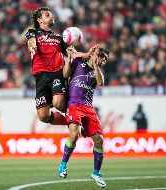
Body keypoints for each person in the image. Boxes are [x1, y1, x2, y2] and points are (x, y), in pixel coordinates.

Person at [25, 7, 92, 125]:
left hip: (57, 74)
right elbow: (31, 41)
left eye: (51, 15)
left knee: (58, 103)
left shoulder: (59, 38)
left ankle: (78, 117)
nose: (52, 16)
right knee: (43, 116)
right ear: (39, 20)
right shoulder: (32, 33)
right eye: (47, 15)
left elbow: (73, 54)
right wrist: (33, 46)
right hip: (40, 77)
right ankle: (69, 121)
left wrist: (88, 54)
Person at [58, 46, 109, 188]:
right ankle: (63, 165)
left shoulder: (97, 72)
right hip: (74, 105)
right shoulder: (79, 62)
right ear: (94, 54)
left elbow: (100, 83)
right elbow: (65, 74)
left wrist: (97, 65)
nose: (103, 61)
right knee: (75, 134)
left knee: (99, 140)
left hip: (88, 107)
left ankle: (96, 173)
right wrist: (69, 59)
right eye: (102, 57)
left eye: (105, 60)